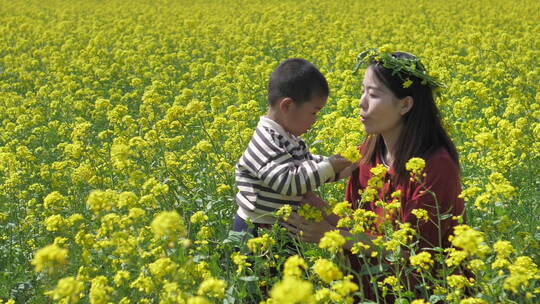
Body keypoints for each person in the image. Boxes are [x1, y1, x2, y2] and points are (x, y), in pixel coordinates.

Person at [281, 49, 466, 300]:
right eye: (362, 90)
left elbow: (412, 252)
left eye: (374, 94)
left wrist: (329, 235)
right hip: (368, 290)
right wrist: (309, 200)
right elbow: (355, 227)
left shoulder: (435, 166)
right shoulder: (368, 152)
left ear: (405, 104)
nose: (362, 102)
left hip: (421, 293)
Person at [232, 58, 355, 236]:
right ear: (287, 105)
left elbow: (307, 165)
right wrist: (329, 166)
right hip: (256, 229)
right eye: (313, 112)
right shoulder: (266, 141)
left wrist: (345, 166)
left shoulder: (286, 137)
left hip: (280, 225)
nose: (315, 120)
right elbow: (289, 182)